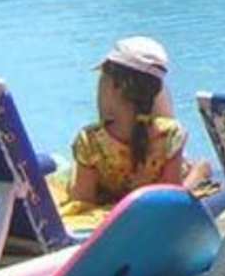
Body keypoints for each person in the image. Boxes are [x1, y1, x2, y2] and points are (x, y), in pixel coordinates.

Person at [59, 36, 211, 217]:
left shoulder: (90, 140)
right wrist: (197, 175)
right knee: (202, 169)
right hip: (152, 210)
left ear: (113, 87)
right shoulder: (171, 134)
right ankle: (200, 170)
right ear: (156, 91)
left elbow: (82, 203)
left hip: (114, 213)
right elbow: (169, 199)